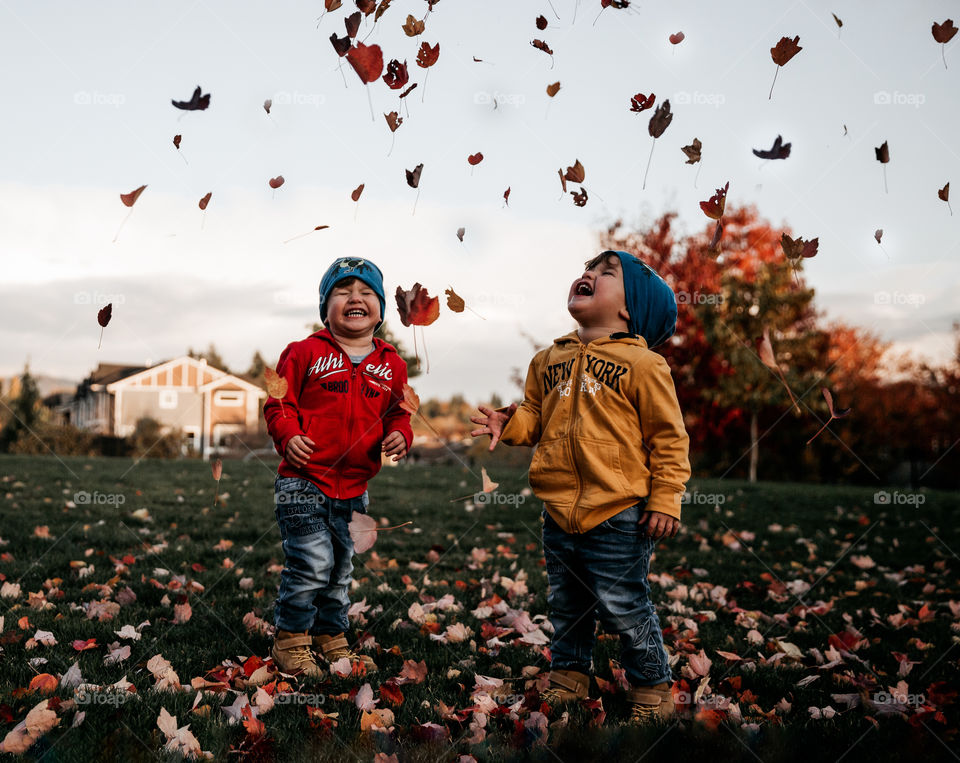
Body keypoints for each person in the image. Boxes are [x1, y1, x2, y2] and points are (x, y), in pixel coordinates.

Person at [470, 250, 691, 723]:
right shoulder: (548, 358)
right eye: (588, 269)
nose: (588, 274)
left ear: (631, 310)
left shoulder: (644, 366)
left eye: (606, 273)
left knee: (623, 604)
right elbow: (534, 413)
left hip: (619, 510)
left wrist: (666, 498)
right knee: (567, 601)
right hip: (558, 510)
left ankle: (653, 687)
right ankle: (570, 676)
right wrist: (506, 423)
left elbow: (670, 438)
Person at [263, 257, 413, 679]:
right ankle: (291, 637)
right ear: (325, 307)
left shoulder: (392, 365)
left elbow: (399, 412)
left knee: (340, 566)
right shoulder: (303, 353)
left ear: (380, 310)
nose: (355, 298)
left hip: (354, 489)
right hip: (303, 482)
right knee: (311, 562)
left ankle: (330, 634)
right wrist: (288, 434)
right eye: (343, 291)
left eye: (366, 292)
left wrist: (402, 433)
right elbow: (278, 401)